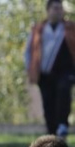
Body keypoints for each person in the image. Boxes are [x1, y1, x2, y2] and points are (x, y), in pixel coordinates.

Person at [25, 0, 75, 137]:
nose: (58, 11)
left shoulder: (69, 28)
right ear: (48, 10)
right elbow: (29, 51)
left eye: (60, 8)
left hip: (66, 71)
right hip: (45, 74)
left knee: (63, 91)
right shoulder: (39, 29)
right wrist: (29, 69)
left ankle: (62, 125)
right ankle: (51, 135)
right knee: (48, 103)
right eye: (55, 8)